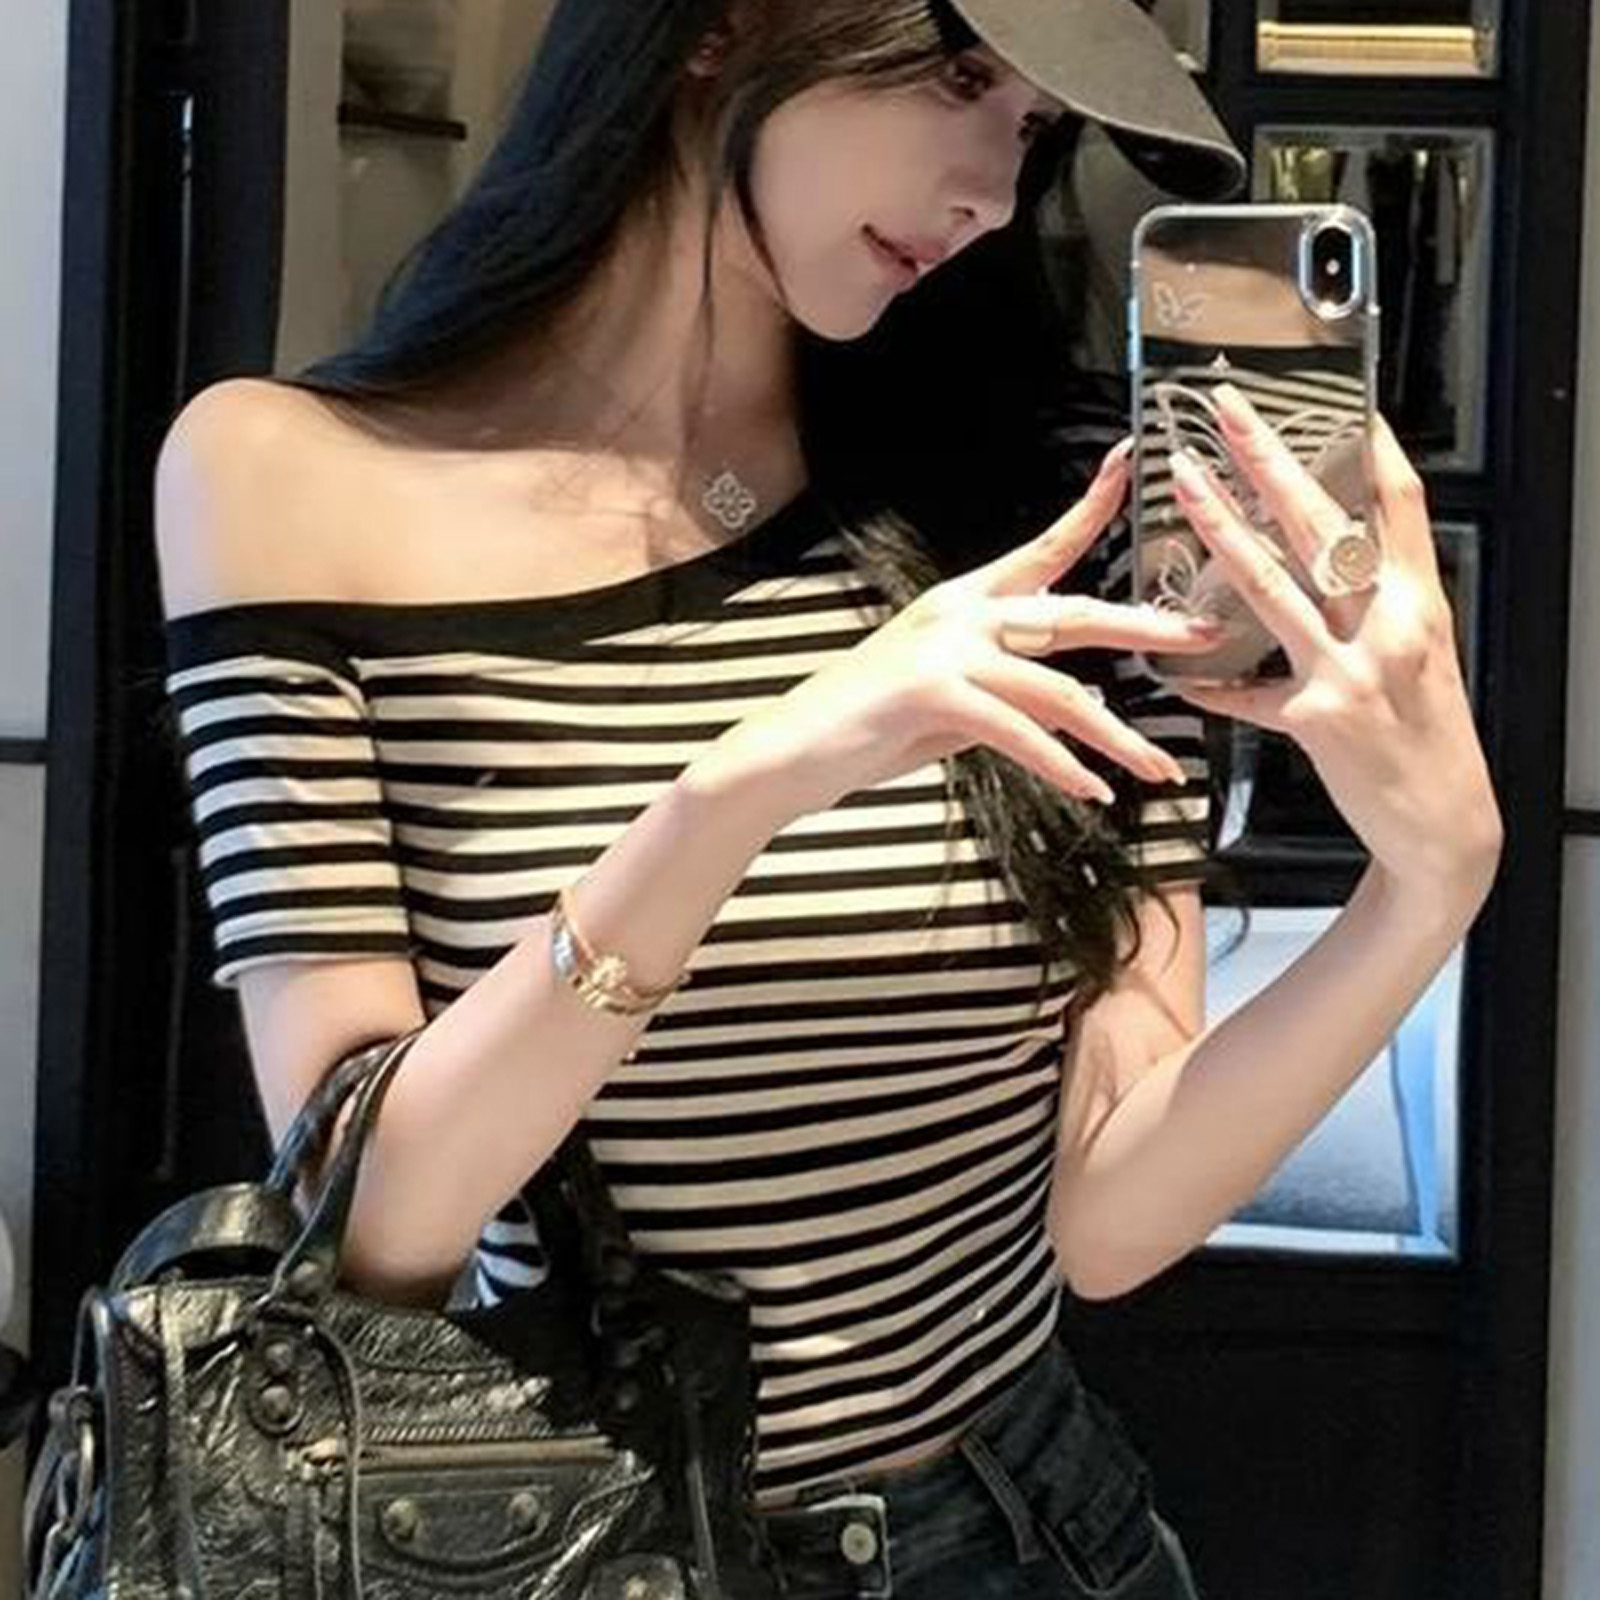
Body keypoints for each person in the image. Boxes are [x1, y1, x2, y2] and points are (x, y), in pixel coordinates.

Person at [151, 1, 1504, 1595]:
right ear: (726, 27)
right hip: (595, 1545)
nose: (991, 192)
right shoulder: (284, 480)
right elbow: (373, 1226)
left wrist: (1426, 889)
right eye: (959, 77)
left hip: (1022, 1534)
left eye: (1032, 125)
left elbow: (1112, 1217)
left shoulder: (1046, 502)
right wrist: (735, 797)